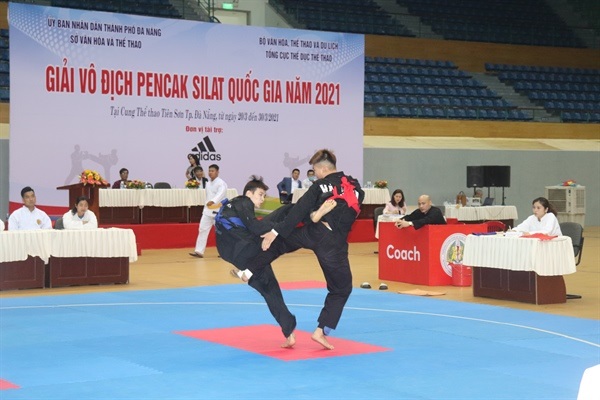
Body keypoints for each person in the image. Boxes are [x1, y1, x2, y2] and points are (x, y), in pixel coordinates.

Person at [239, 149, 364, 350]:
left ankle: (248, 269)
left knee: (280, 243)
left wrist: (275, 232)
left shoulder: (318, 186)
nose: (315, 174)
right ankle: (321, 331)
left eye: (315, 170)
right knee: (341, 288)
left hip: (313, 232)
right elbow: (348, 213)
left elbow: (298, 211)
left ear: (324, 168)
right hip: (333, 243)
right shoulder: (358, 188)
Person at [215, 175, 337, 347]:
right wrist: (275, 232)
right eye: (260, 195)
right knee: (286, 213)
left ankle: (289, 332)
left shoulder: (232, 206)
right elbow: (256, 228)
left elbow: (252, 228)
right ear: (248, 193)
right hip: (244, 248)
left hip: (239, 254)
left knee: (270, 290)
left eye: (264, 196)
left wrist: (270, 234)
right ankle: (313, 216)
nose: (262, 199)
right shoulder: (243, 201)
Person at [190, 164, 228, 258]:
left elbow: (220, 194)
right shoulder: (208, 182)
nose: (210, 172)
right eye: (209, 171)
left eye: (212, 171)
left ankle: (224, 252)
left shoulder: (221, 183)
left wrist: (213, 201)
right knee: (202, 229)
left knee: (220, 232)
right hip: (207, 211)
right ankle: (199, 251)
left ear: (217, 172)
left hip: (217, 211)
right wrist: (208, 202)